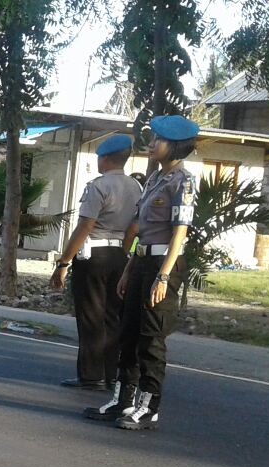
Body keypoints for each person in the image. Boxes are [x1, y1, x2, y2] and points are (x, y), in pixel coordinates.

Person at [86, 115, 200, 429]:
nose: (152, 144)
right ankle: (123, 401)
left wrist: (163, 277)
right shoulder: (153, 179)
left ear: (175, 146)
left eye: (158, 140)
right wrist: (128, 272)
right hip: (141, 262)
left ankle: (149, 408)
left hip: (164, 264)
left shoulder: (183, 181)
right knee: (128, 333)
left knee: (151, 339)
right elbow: (142, 233)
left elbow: (179, 233)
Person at [53, 134, 142, 390]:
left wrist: (63, 262)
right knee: (112, 316)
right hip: (119, 255)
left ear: (104, 159)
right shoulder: (136, 187)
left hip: (93, 256)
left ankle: (91, 376)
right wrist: (123, 253)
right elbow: (134, 227)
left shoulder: (98, 186)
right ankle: (111, 374)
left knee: (91, 316)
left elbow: (85, 226)